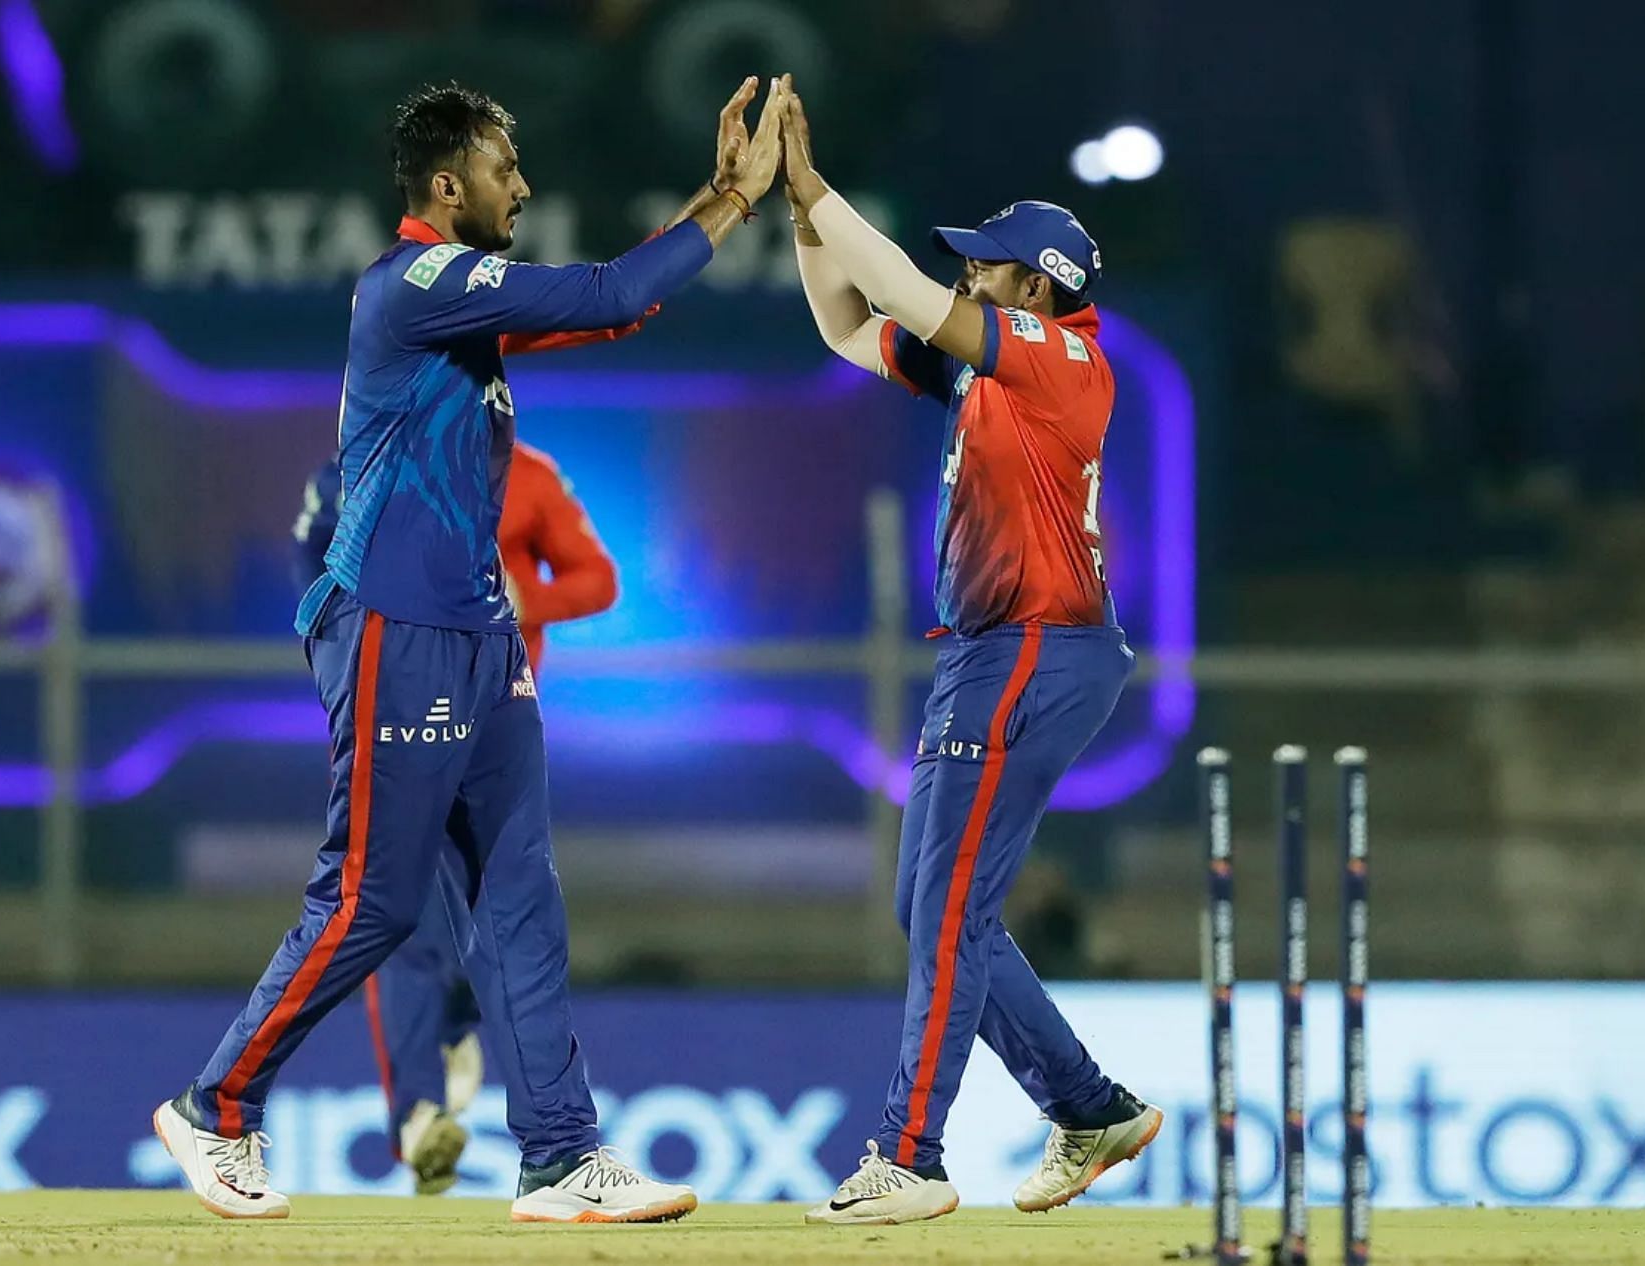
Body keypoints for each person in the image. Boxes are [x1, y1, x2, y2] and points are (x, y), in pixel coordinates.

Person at [153, 73, 789, 1223]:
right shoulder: (418, 281)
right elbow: (605, 290)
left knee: (520, 897)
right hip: (398, 625)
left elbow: (621, 306)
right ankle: (218, 1110)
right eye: (506, 169)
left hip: (482, 636)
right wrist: (732, 200)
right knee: (373, 900)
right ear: (448, 188)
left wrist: (715, 211)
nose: (525, 185)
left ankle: (558, 1155)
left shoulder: (463, 304)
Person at [776, 81, 1162, 1225]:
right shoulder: (992, 366)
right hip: (997, 650)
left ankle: (907, 1158)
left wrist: (807, 185)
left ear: (1037, 288)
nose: (967, 277)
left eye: (987, 267)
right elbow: (845, 325)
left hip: (1033, 647)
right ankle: (1088, 1108)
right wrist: (802, 224)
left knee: (942, 907)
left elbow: (890, 283)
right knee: (936, 906)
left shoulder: (1054, 356)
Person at [291, 440, 619, 1195]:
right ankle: (418, 1114)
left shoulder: (528, 476)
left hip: (495, 731)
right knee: (392, 909)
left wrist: (530, 600)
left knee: (489, 916)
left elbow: (598, 577)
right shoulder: (363, 468)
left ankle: (456, 1030)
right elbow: (310, 554)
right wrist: (335, 647)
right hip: (396, 717)